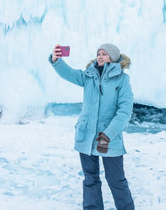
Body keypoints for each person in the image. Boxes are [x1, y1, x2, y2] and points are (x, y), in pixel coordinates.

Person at [49, 43, 135, 210]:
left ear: (113, 57)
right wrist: (56, 60)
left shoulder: (122, 80)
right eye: (98, 54)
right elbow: (68, 73)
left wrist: (107, 134)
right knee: (90, 179)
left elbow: (124, 112)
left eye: (104, 54)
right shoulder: (88, 76)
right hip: (86, 136)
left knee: (116, 180)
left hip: (108, 138)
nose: (100, 57)